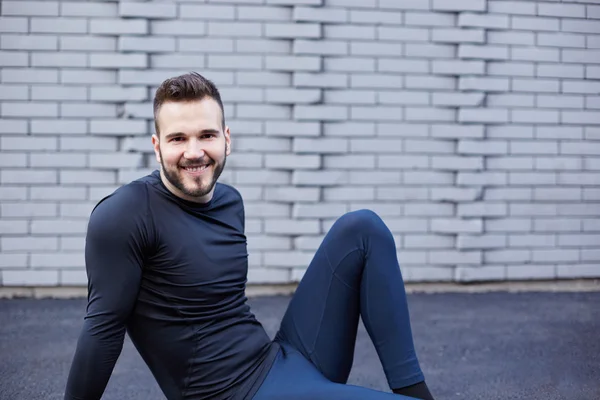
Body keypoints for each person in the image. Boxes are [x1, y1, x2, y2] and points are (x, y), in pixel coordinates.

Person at [64, 72, 435, 400]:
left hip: (279, 362)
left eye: (206, 135)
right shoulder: (125, 215)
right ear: (157, 146)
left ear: (226, 139)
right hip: (231, 393)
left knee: (362, 227)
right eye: (178, 139)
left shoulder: (229, 201)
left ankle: (414, 390)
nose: (194, 152)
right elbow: (102, 329)